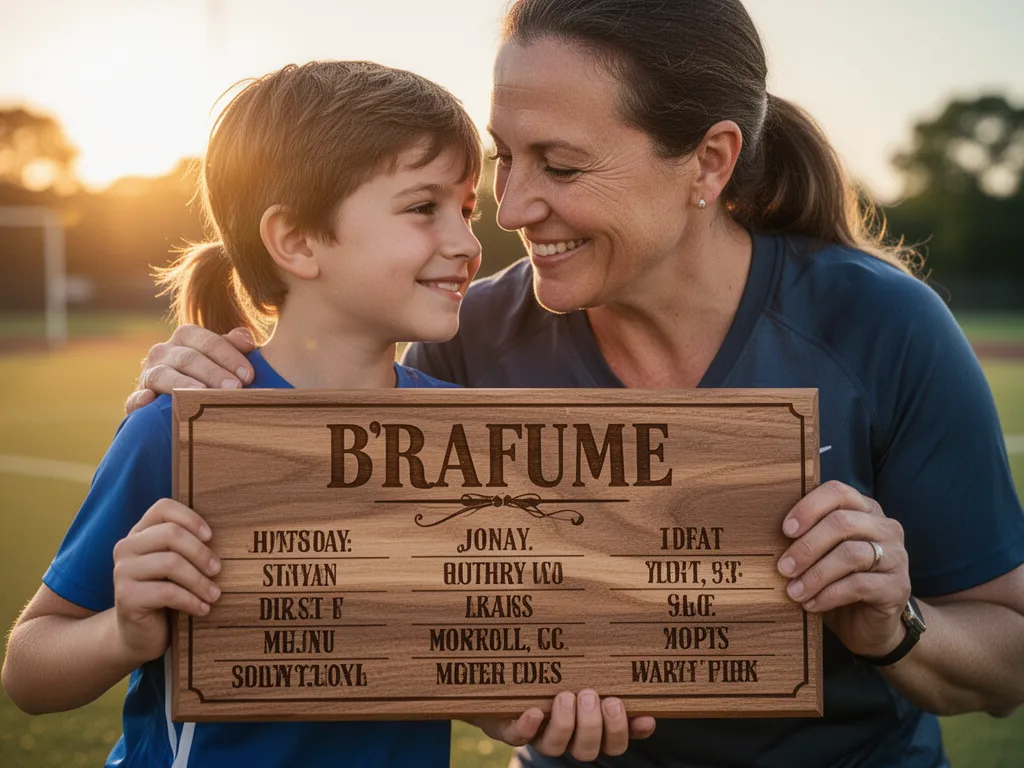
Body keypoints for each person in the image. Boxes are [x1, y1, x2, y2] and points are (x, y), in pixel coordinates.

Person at [122, 0, 1024, 766]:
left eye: (560, 165)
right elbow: (336, 587)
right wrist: (211, 398)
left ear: (710, 162)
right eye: (504, 157)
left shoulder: (884, 327)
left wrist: (893, 624)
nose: (510, 210)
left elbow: (1005, 655)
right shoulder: (463, 343)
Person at [2, 59, 651, 767]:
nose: (469, 243)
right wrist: (123, 635)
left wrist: (528, 703)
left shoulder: (468, 438)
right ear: (296, 241)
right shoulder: (184, 427)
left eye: (464, 208)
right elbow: (29, 672)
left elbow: (453, 668)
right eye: (421, 207)